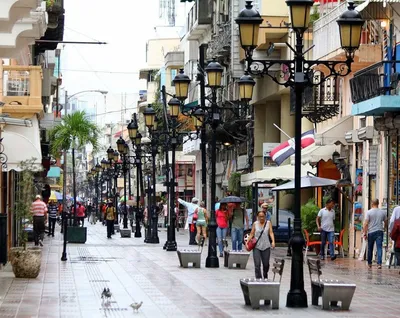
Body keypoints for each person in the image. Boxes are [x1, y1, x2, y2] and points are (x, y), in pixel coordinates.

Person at [246, 210, 275, 279]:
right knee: (257, 264)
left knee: (266, 264)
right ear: (257, 217)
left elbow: (271, 232)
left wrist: (273, 241)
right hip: (257, 246)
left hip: (266, 246)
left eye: (263, 216)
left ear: (265, 216)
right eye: (260, 216)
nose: (261, 218)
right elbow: (252, 233)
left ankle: (265, 274)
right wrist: (247, 242)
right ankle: (258, 279)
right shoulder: (255, 224)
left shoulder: (268, 223)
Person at [363, 199, 387, 269]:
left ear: (372, 203)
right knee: (379, 248)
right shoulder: (383, 212)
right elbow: (386, 222)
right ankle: (379, 263)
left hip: (371, 232)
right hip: (380, 231)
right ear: (378, 203)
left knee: (370, 248)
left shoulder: (369, 212)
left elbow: (366, 223)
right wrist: (384, 228)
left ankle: (369, 263)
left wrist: (365, 232)